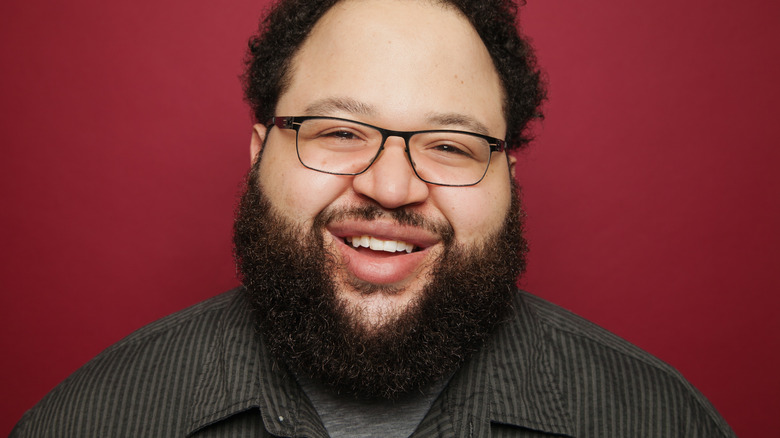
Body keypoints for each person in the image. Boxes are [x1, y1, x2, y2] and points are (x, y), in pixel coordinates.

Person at [11, 0, 736, 436]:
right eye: (338, 132)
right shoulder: (90, 421)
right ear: (262, 151)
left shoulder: (657, 421)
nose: (391, 187)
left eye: (450, 145)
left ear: (508, 179)